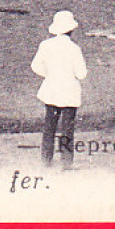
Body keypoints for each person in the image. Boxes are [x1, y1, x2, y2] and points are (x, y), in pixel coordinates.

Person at [31, 10, 87, 169]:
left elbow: (35, 66)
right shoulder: (75, 49)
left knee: (49, 126)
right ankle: (66, 161)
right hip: (69, 92)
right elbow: (82, 74)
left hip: (51, 90)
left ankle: (46, 159)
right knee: (67, 128)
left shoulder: (45, 45)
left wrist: (49, 74)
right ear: (71, 29)